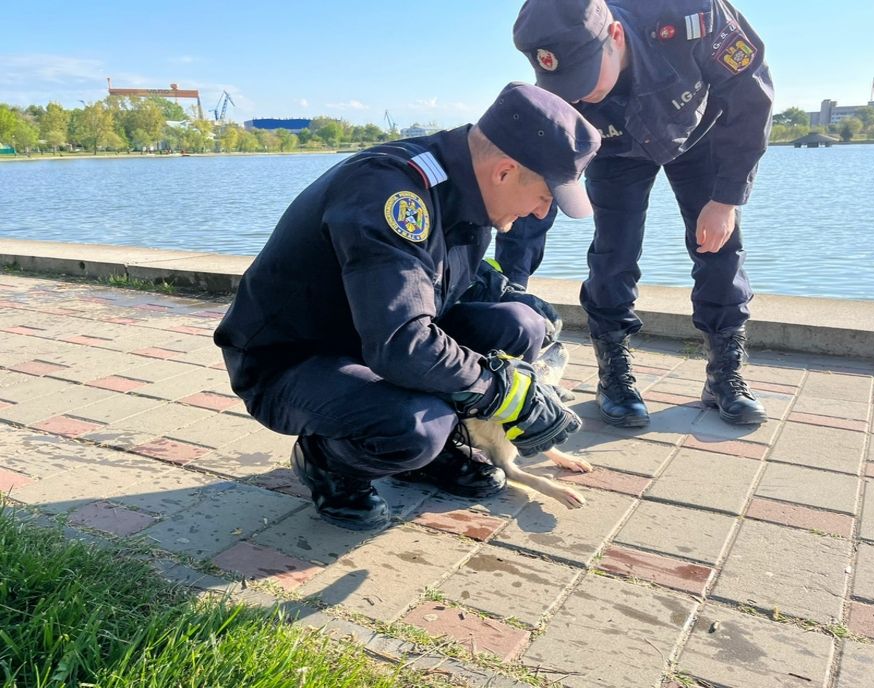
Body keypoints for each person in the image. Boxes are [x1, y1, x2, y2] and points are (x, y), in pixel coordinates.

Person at [214, 83, 599, 531]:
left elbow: (442, 283)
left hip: (369, 334)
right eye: (545, 197)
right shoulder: (393, 195)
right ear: (505, 171)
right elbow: (403, 344)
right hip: (294, 360)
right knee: (417, 425)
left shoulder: (466, 188)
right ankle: (326, 463)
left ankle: (432, 456)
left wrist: (507, 294)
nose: (540, 213)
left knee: (521, 326)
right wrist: (506, 393)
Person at [502, 0, 774, 428]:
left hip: (700, 133)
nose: (579, 94)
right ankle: (614, 375)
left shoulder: (692, 13)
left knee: (719, 246)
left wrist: (726, 199)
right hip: (614, 148)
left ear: (614, 35)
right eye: (564, 85)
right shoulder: (565, 89)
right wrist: (509, 285)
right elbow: (538, 186)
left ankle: (726, 374)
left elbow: (751, 97)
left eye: (585, 77)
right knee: (615, 252)